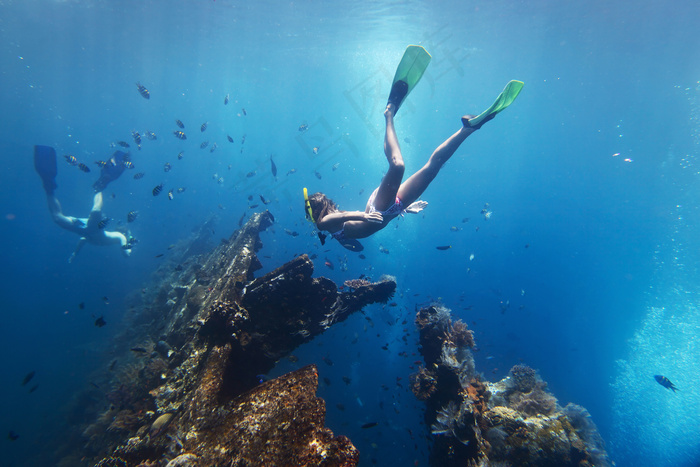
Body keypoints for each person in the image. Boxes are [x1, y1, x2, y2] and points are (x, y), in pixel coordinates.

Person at [304, 73, 523, 252]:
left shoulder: (326, 222)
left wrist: (364, 216)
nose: (332, 204)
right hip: (391, 210)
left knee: (398, 165)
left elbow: (344, 216)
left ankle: (389, 112)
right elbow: (358, 247)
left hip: (378, 207)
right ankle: (468, 129)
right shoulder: (326, 227)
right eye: (327, 202)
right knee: (432, 168)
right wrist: (404, 210)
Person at [34, 145, 132, 262]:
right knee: (95, 210)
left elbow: (82, 241)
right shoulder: (116, 236)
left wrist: (75, 254)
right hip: (93, 228)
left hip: (83, 229)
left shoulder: (105, 238)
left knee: (57, 218)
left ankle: (48, 185)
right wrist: (128, 246)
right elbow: (126, 252)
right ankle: (101, 184)